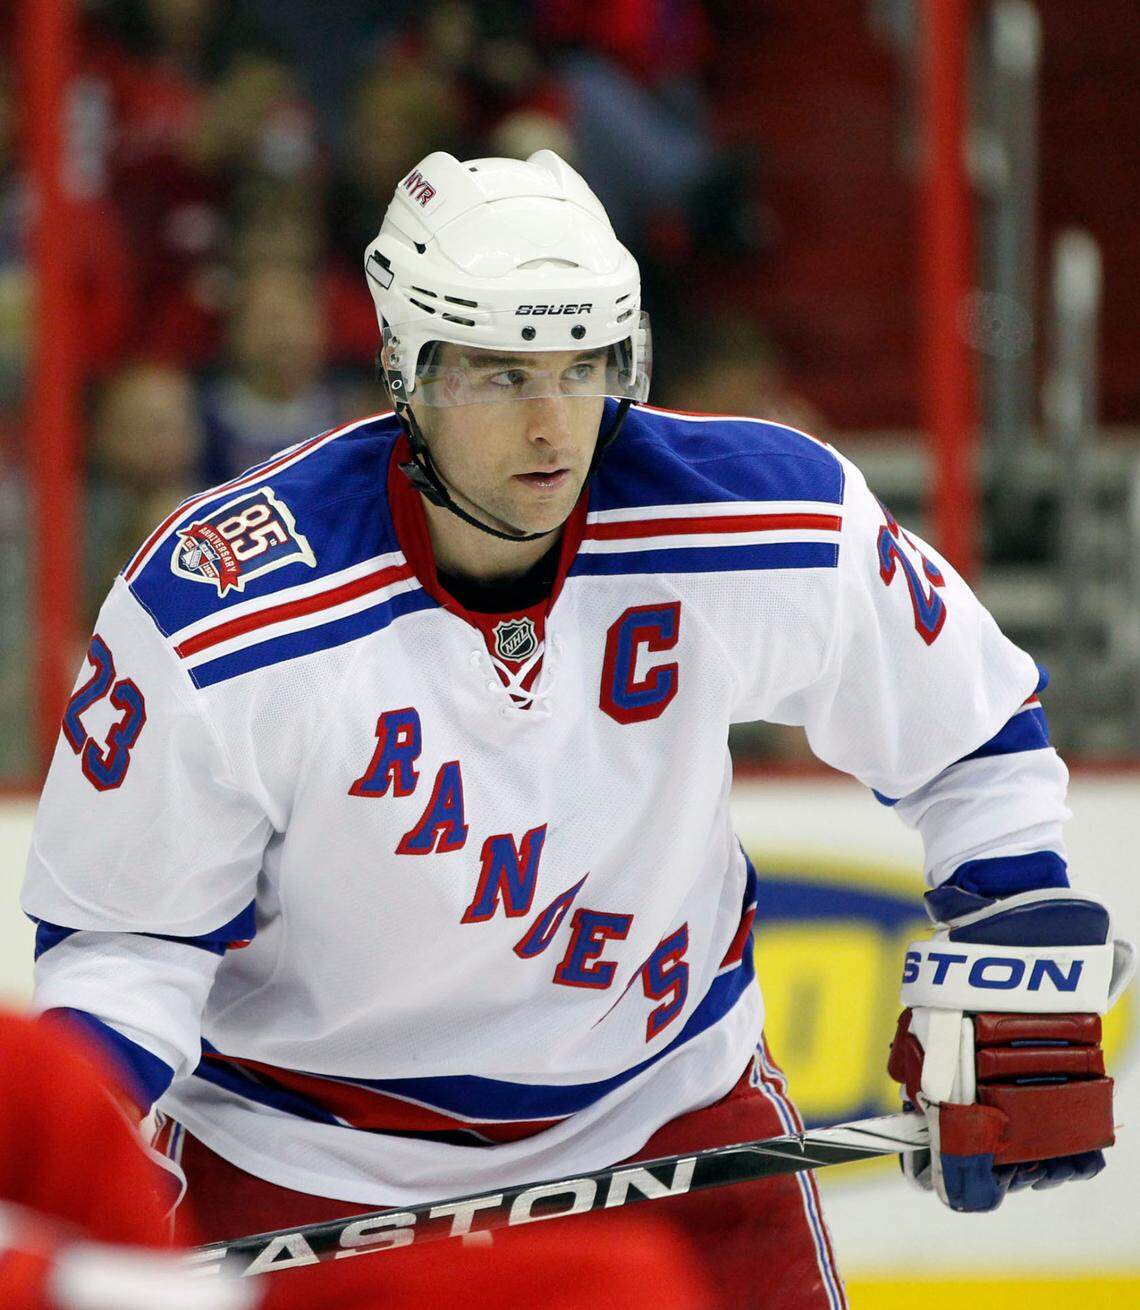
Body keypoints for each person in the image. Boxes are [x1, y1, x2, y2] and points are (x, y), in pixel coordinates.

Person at [21, 151, 1134, 1309]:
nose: (554, 425)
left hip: (669, 1119)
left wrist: (1020, 950)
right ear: (407, 365)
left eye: (584, 368)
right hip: (301, 1165)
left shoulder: (759, 517)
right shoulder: (225, 609)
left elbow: (969, 727)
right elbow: (126, 947)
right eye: (501, 377)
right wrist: (82, 1169)